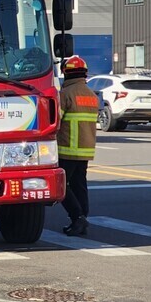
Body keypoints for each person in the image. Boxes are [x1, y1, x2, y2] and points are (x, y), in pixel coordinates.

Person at [57, 55, 99, 236]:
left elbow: (55, 121)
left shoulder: (66, 94)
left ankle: (78, 217)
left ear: (66, 73)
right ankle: (81, 220)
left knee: (60, 185)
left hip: (67, 149)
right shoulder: (91, 95)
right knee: (80, 185)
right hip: (85, 149)